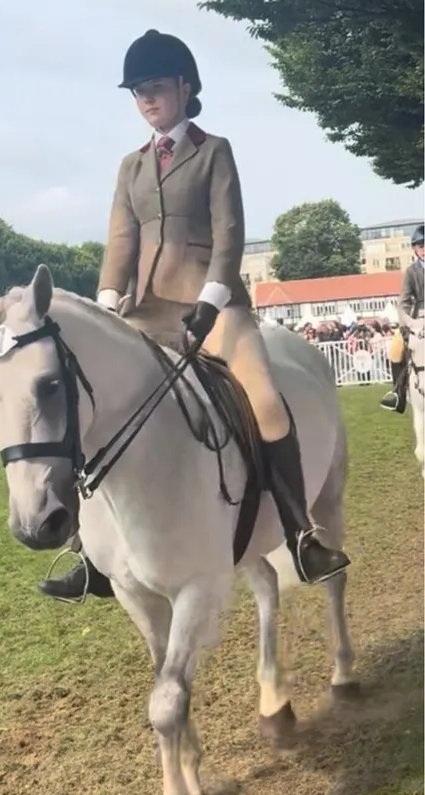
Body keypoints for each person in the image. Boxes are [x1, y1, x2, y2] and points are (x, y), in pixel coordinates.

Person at [40, 30, 349, 602]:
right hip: (146, 312)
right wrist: (108, 303)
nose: (147, 100)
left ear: (185, 88)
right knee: (94, 405)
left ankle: (301, 533)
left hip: (218, 307)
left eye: (155, 88)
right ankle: (90, 553)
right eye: (138, 92)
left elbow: (230, 234)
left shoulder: (214, 151)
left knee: (263, 400)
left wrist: (209, 301)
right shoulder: (130, 168)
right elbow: (120, 243)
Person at [380, 223, 425, 413]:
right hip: (418, 318)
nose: (424, 249)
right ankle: (398, 394)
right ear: (415, 249)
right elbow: (404, 301)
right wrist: (409, 321)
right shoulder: (411, 272)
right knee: (396, 348)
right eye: (420, 245)